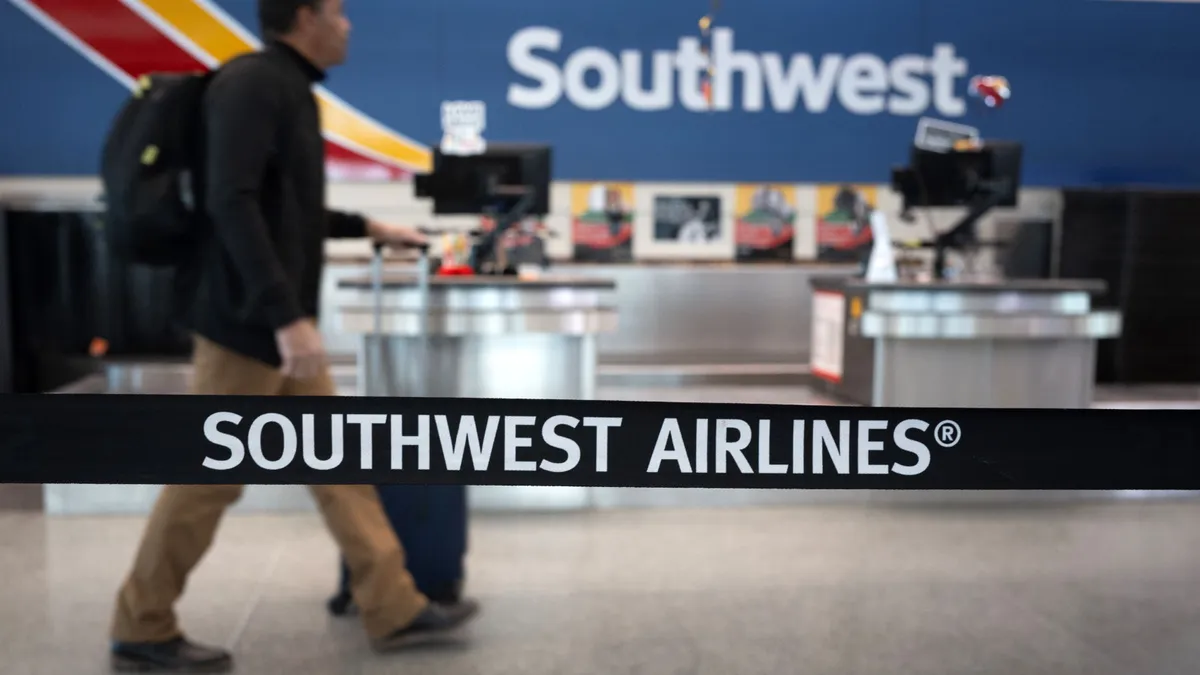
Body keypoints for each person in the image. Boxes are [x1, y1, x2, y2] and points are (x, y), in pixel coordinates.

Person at [107, 0, 479, 671]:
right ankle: (143, 619)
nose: (349, 24)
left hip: (270, 323)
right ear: (304, 18)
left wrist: (370, 228)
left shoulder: (286, 88)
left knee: (338, 461)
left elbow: (289, 209)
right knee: (208, 477)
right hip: (244, 324)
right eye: (338, 11)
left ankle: (392, 602)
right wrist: (284, 314)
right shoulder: (254, 84)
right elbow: (231, 199)